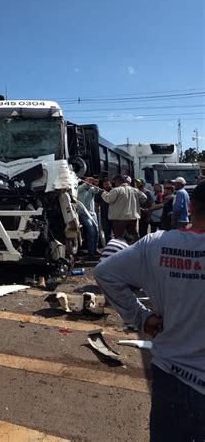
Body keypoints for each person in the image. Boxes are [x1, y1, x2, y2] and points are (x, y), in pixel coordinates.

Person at [94, 181, 205, 441]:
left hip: (170, 374)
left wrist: (141, 318)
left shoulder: (155, 244)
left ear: (190, 206)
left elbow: (104, 272)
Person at [101, 175, 147, 242]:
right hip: (132, 218)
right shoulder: (134, 189)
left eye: (116, 182)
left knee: (118, 237)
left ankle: (120, 250)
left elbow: (109, 199)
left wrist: (103, 193)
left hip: (120, 218)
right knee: (134, 235)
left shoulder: (116, 190)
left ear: (119, 181)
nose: (115, 183)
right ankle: (137, 249)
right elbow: (144, 197)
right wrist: (136, 203)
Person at [77, 177, 101, 259]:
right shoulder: (80, 188)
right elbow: (79, 189)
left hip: (92, 213)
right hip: (84, 213)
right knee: (91, 231)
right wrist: (86, 183)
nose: (90, 182)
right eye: (88, 180)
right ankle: (91, 253)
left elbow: (96, 191)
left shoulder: (91, 189)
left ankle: (95, 249)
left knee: (97, 231)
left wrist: (96, 184)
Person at [95, 177, 113, 244]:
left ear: (110, 184)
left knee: (116, 233)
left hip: (114, 215)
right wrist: (96, 210)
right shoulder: (100, 192)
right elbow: (96, 202)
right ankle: (109, 247)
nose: (106, 186)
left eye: (108, 184)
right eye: (105, 184)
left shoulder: (114, 191)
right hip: (104, 216)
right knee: (107, 233)